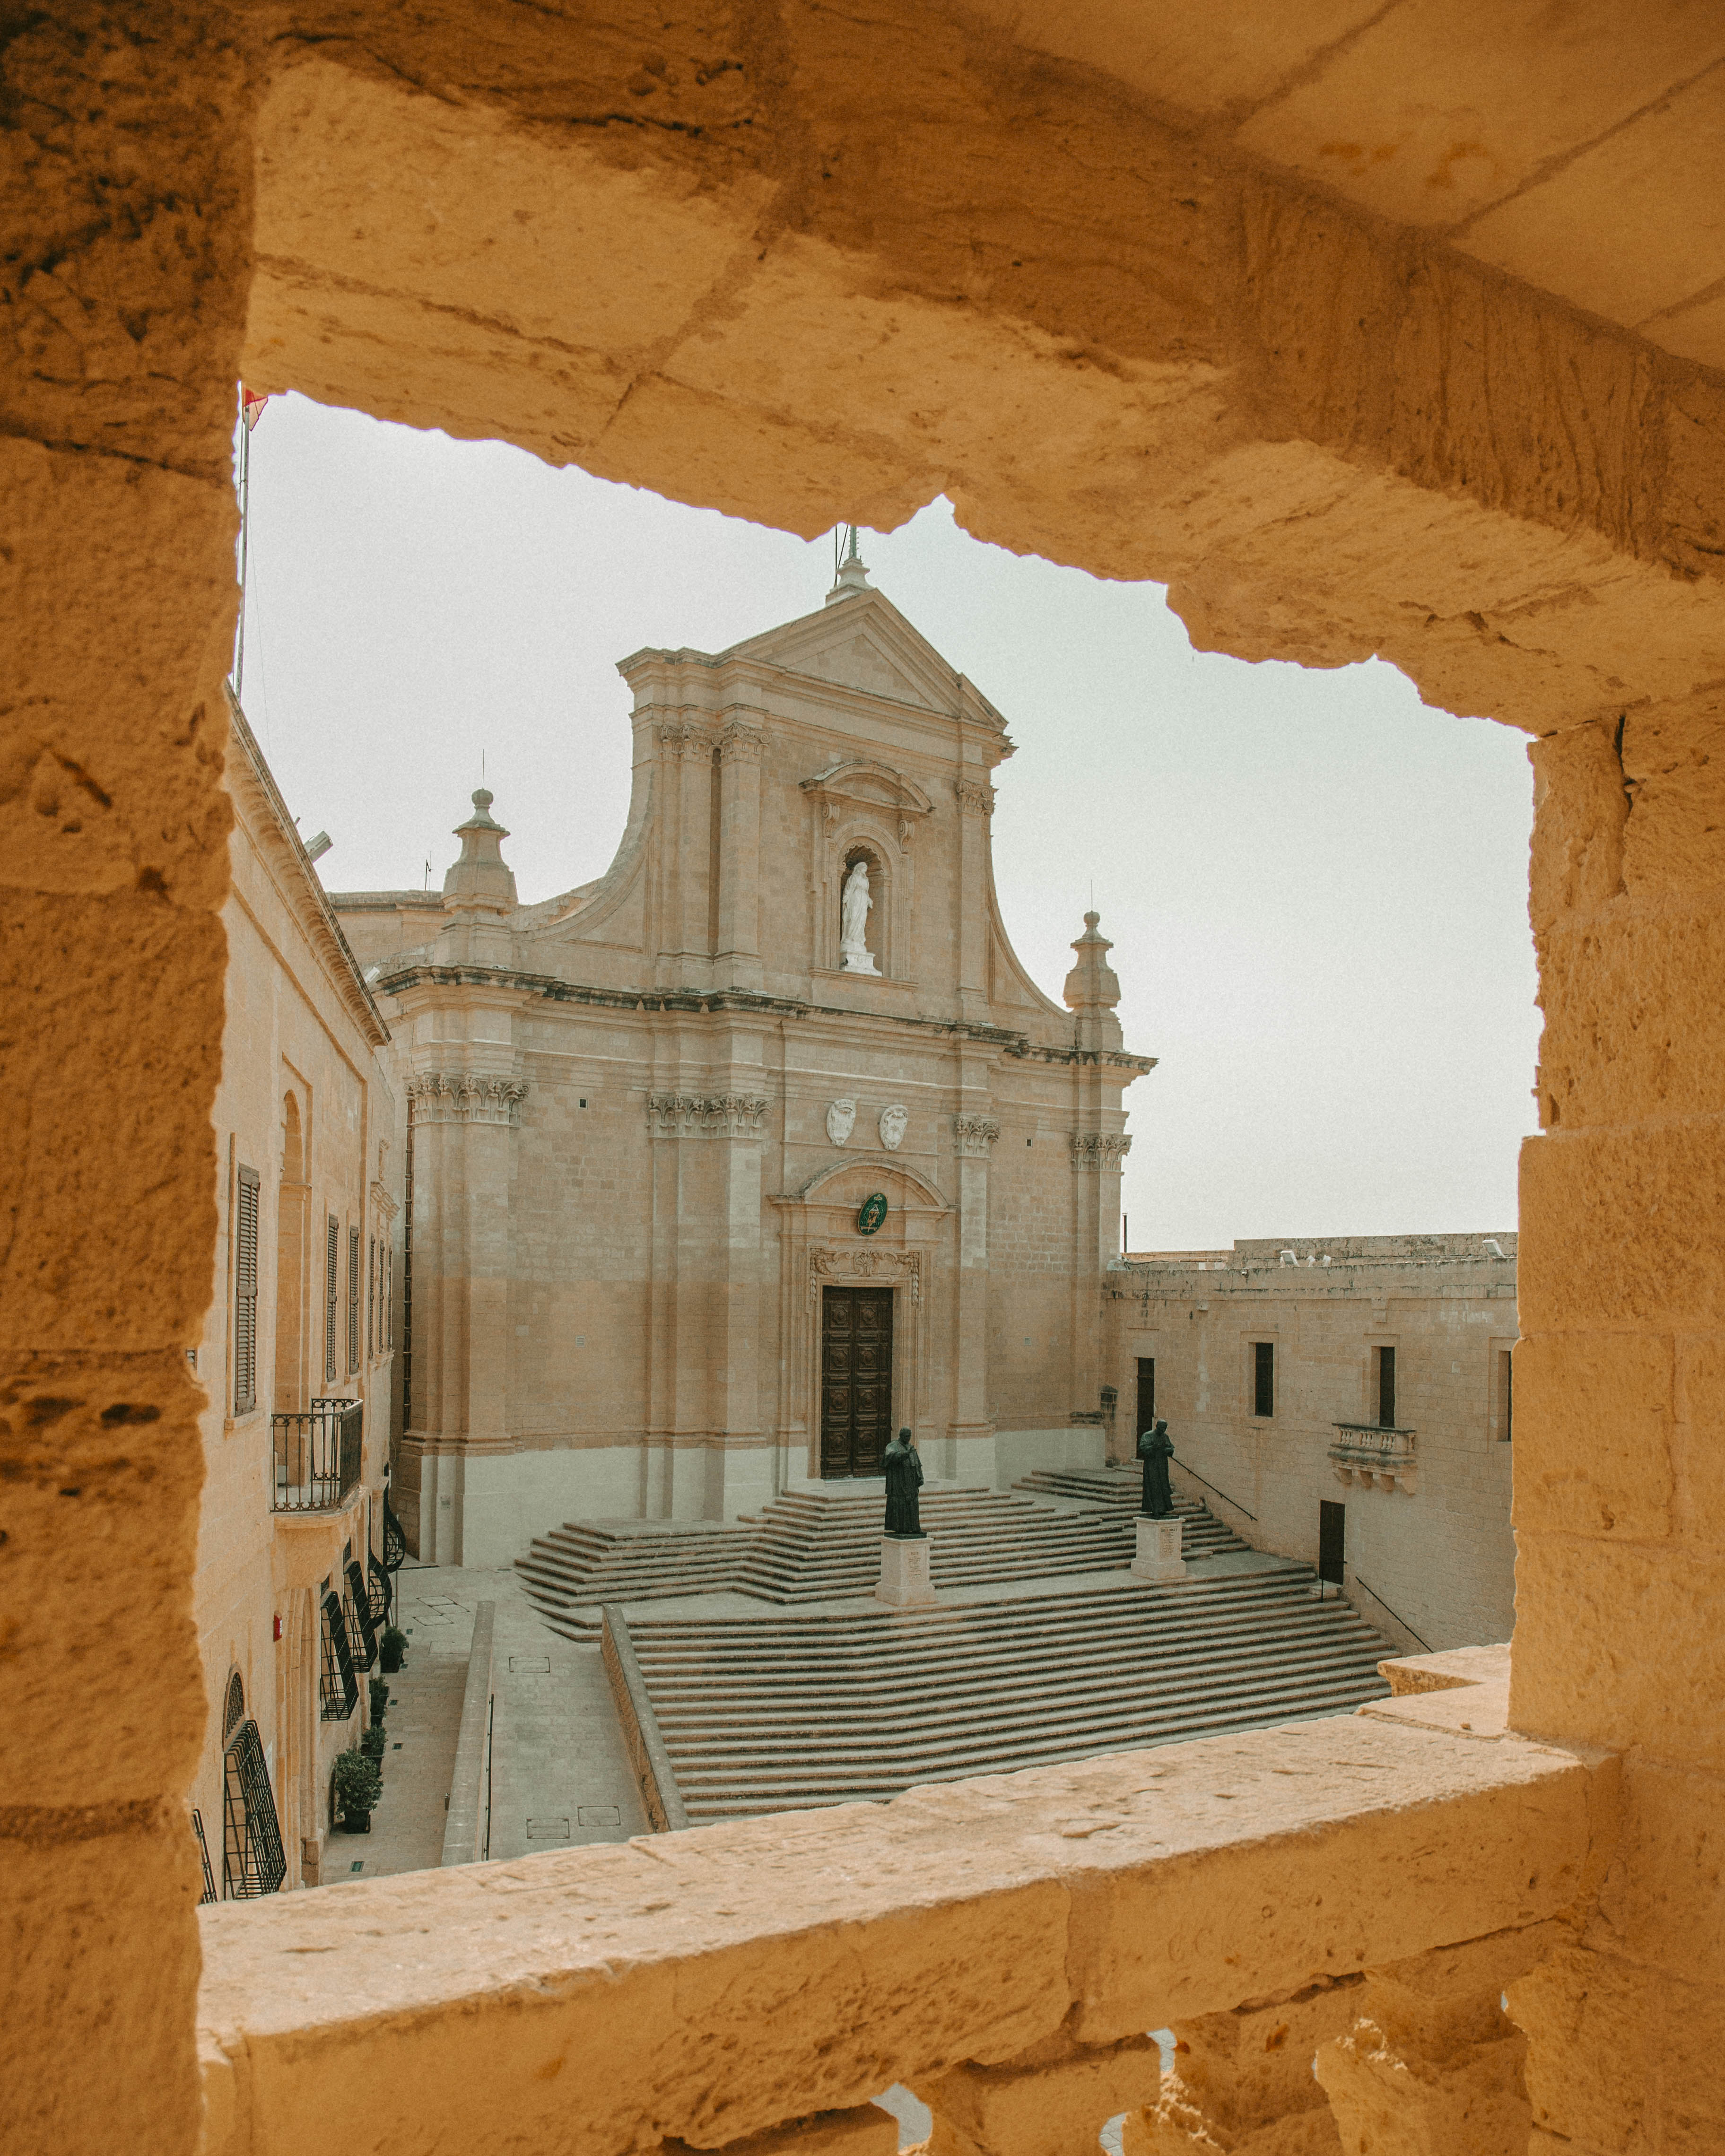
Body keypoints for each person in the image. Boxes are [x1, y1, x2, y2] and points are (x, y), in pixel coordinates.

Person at [882, 1426, 924, 1537]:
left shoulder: (911, 1448)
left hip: (911, 1483)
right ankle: (901, 1528)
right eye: (906, 1436)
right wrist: (905, 1455)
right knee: (900, 1505)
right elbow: (891, 1458)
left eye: (910, 1436)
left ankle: (914, 1528)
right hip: (899, 1483)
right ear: (901, 1436)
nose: (908, 1438)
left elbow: (917, 1464)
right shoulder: (893, 1446)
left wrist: (921, 1476)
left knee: (913, 1505)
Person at [1138, 1417, 1174, 1519]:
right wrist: (1153, 1448)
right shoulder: (1148, 1435)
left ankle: (1163, 1509)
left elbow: (1171, 1448)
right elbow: (1142, 1450)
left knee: (1163, 1486)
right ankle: (1155, 1509)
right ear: (1157, 1426)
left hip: (1162, 1465)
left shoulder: (1165, 1437)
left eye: (1165, 1428)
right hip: (1152, 1465)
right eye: (1161, 1428)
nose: (1163, 1430)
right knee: (1153, 1486)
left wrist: (1168, 1450)